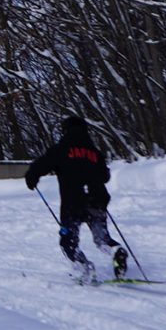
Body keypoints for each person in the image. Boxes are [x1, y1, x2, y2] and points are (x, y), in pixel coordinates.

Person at [25, 114, 127, 282]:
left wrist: (31, 178)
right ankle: (115, 250)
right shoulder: (95, 153)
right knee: (102, 239)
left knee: (68, 242)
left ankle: (85, 268)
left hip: (73, 203)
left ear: (66, 131)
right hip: (97, 201)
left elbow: (40, 165)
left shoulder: (61, 149)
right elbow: (105, 176)